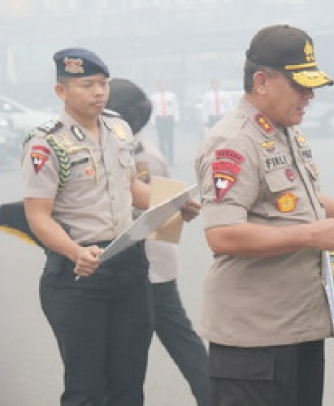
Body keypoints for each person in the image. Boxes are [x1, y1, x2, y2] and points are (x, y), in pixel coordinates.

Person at [194, 24, 334, 406]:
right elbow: (222, 234)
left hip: (296, 326)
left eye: (312, 86)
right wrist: (309, 236)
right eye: (300, 86)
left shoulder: (281, 130)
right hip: (255, 338)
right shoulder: (234, 140)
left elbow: (296, 200)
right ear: (262, 81)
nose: (310, 96)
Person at [21, 48, 165, 405]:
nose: (99, 92)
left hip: (129, 266)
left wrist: (173, 201)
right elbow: (38, 215)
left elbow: (132, 189)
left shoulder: (118, 128)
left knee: (129, 384)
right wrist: (74, 252)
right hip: (79, 273)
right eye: (87, 85)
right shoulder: (47, 143)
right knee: (86, 387)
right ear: (62, 91)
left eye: (103, 84)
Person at [106, 77, 209, 406]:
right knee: (180, 340)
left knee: (147, 346)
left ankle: (216, 396)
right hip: (151, 266)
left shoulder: (142, 158)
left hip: (150, 267)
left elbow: (162, 219)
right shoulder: (130, 150)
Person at [150, 79, 180, 165]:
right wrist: (153, 122)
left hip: (169, 119)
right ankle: (163, 160)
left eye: (164, 85)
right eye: (160, 85)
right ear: (157, 86)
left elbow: (175, 108)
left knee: (170, 140)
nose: (162, 86)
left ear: (166, 85)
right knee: (161, 140)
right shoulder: (154, 97)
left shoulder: (171, 96)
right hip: (159, 119)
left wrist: (176, 119)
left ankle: (171, 160)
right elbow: (153, 110)